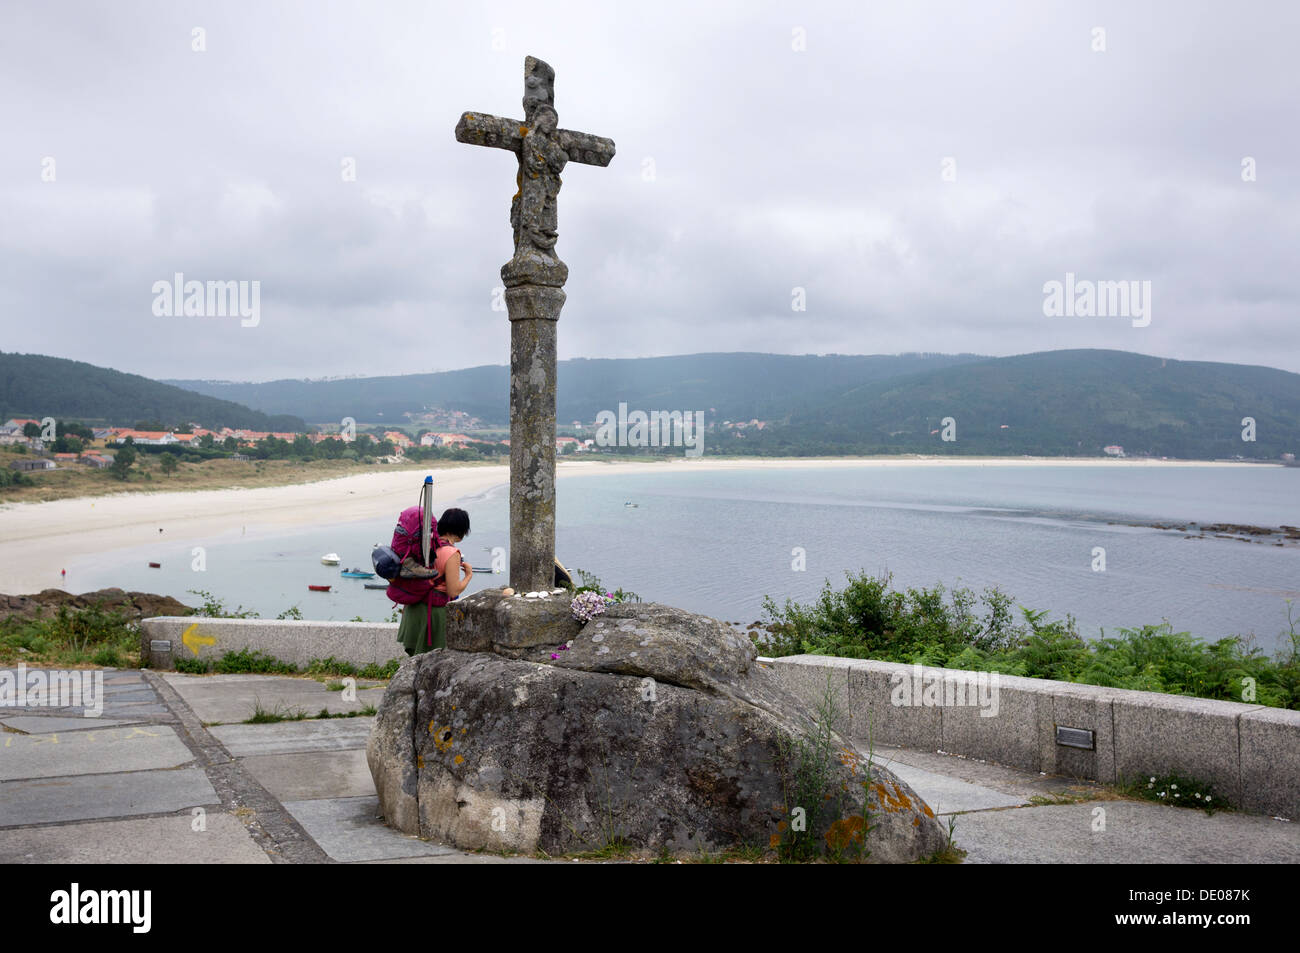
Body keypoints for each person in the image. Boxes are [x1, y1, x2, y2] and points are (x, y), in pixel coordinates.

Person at [397, 507, 473, 656]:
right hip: (432, 614)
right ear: (462, 530)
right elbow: (453, 590)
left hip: (412, 610)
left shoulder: (425, 545)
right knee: (432, 664)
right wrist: (468, 576)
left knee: (415, 663)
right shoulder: (451, 553)